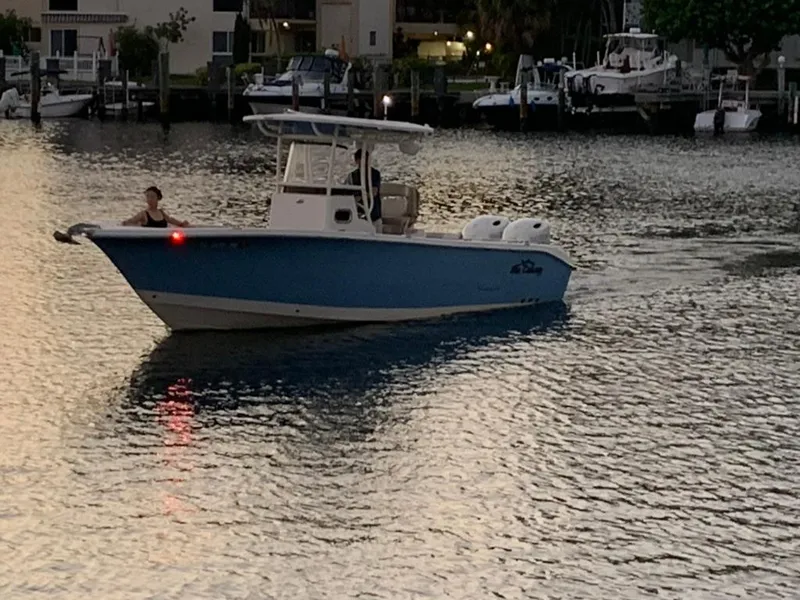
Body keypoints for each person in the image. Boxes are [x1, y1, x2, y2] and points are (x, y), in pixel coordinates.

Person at [122, 186, 190, 228]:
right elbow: (127, 222)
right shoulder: (143, 214)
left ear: (158, 198)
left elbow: (171, 220)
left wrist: (182, 224)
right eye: (148, 196)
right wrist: (138, 225)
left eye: (152, 197)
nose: (150, 199)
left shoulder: (162, 213)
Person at [345, 149, 382, 225]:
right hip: (357, 215)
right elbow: (346, 192)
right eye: (362, 159)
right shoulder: (351, 176)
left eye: (366, 159)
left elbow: (374, 192)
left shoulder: (375, 174)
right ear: (356, 161)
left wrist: (361, 198)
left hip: (374, 215)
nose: (364, 162)